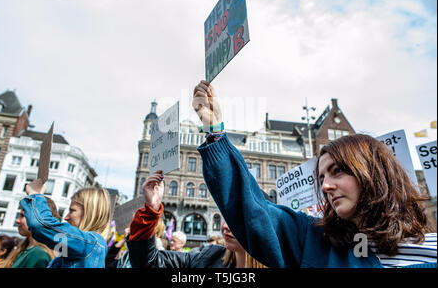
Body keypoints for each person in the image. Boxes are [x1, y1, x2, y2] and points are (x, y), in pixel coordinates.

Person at [192, 80, 437, 268]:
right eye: (321, 178)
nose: (326, 186)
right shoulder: (315, 241)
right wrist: (214, 132)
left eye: (337, 171)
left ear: (374, 173)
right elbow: (254, 211)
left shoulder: (431, 250)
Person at [126, 171, 267, 268]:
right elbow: (149, 263)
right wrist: (151, 211)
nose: (226, 226)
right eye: (227, 217)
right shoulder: (208, 257)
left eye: (238, 220)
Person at [21, 178, 111, 268]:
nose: (66, 217)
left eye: (72, 210)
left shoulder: (90, 244)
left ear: (90, 213)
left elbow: (40, 225)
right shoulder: (81, 248)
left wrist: (35, 194)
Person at [0, 196, 60, 268]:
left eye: (23, 215)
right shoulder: (26, 250)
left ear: (38, 219)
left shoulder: (39, 254)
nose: (17, 220)